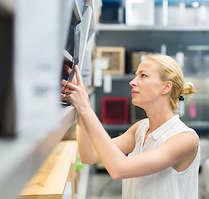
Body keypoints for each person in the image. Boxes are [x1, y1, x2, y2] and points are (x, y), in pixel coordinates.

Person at [61, 54, 200, 199]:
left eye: (143, 75)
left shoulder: (185, 138)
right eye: (135, 75)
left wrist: (85, 108)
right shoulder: (140, 129)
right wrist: (82, 107)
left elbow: (119, 169)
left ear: (166, 87)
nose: (133, 82)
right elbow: (89, 156)